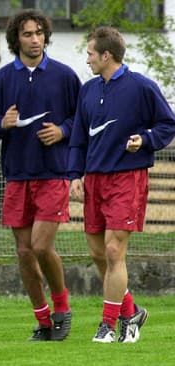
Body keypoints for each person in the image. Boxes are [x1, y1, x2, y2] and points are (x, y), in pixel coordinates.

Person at [0, 9, 80, 341]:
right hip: (17, 176)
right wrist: (1, 124)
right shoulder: (2, 80)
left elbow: (83, 122)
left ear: (46, 36)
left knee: (40, 245)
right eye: (27, 34)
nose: (34, 40)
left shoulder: (65, 77)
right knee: (23, 252)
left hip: (53, 173)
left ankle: (62, 309)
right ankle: (43, 320)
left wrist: (62, 131)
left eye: (38, 33)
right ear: (15, 39)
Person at [68, 26, 175, 343]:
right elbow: (77, 138)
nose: (87, 59)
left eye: (90, 53)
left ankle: (108, 325)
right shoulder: (87, 90)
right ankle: (131, 312)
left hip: (128, 177)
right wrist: (75, 175)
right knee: (98, 252)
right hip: (95, 180)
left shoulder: (142, 87)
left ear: (106, 55)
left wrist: (145, 140)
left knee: (115, 251)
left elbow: (168, 124)